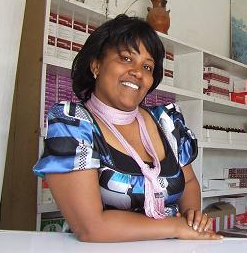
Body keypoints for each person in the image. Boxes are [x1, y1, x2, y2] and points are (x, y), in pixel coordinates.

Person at [33, 14, 222, 242]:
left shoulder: (167, 121)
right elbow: (91, 227)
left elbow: (189, 182)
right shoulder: (72, 124)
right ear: (96, 65)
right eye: (125, 58)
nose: (138, 72)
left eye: (147, 66)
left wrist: (192, 218)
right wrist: (176, 227)